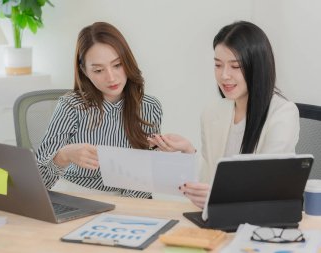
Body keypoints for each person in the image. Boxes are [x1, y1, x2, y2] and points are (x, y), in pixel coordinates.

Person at [148, 21, 299, 208]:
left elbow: (265, 188)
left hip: (258, 221)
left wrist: (216, 197)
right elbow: (207, 182)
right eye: (218, 65)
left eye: (235, 66)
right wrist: (188, 151)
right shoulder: (213, 112)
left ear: (257, 67)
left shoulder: (283, 113)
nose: (224, 75)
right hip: (216, 218)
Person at [36, 22, 162, 198]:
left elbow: (145, 176)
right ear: (85, 71)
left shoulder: (149, 107)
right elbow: (38, 181)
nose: (111, 77)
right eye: (98, 70)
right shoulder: (71, 107)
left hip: (130, 201)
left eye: (117, 65)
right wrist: (64, 156)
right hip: (77, 194)